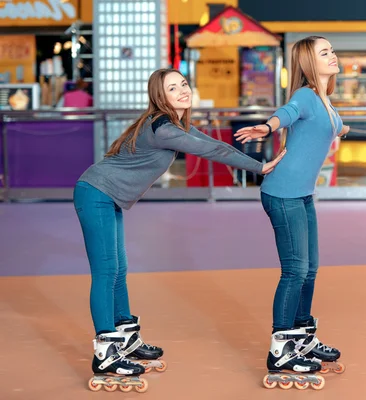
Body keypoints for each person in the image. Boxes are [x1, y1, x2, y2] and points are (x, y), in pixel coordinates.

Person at [75, 68, 286, 390]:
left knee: (118, 269)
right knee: (107, 271)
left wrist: (252, 159)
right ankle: (106, 353)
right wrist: (259, 167)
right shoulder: (163, 129)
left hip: (106, 196)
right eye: (173, 88)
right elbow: (213, 151)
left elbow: (210, 141)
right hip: (96, 193)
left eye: (184, 84)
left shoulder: (171, 124)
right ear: (161, 97)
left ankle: (126, 339)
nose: (182, 91)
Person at [234, 36, 350, 385]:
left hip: (302, 194)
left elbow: (326, 126)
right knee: (295, 271)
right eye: (324, 52)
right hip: (283, 193)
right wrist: (267, 126)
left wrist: (343, 129)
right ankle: (281, 348)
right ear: (309, 63)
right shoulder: (305, 96)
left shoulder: (325, 101)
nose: (333, 55)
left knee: (310, 269)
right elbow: (287, 114)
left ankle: (301, 336)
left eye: (332, 50)